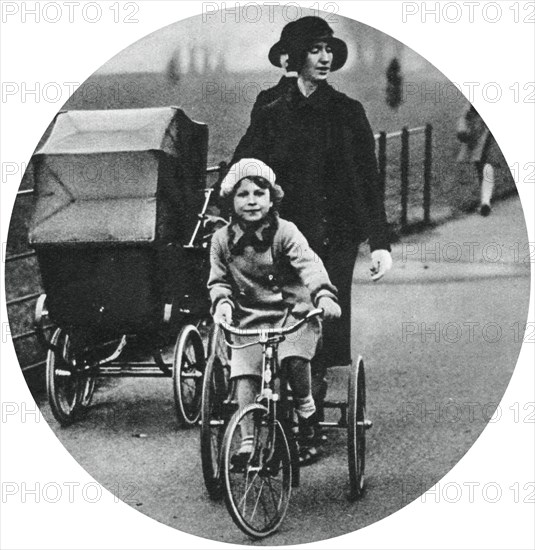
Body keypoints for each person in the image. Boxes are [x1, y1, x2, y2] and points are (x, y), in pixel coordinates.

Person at [231, 16, 392, 427]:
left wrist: (379, 243)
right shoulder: (270, 109)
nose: (323, 59)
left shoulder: (347, 112)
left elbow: (368, 181)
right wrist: (226, 204)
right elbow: (246, 164)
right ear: (295, 56)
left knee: (319, 321)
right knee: (279, 319)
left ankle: (307, 421)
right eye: (315, 50)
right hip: (281, 238)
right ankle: (278, 402)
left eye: (328, 51)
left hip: (334, 236)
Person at [208, 158, 341, 466]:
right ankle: (249, 441)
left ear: (271, 198)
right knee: (245, 373)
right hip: (250, 318)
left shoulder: (286, 232)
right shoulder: (220, 241)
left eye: (259, 193)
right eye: (243, 195)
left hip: (293, 314)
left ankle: (306, 407)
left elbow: (309, 265)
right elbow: (218, 282)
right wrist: (223, 304)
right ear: (230, 200)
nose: (252, 201)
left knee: (293, 357)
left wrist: (322, 294)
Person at [457, 104, 501, 216]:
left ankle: (485, 201)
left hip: (482, 130)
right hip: (477, 129)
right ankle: (485, 201)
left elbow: (466, 114)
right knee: (482, 164)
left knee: (482, 163)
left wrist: (462, 129)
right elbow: (466, 114)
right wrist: (462, 129)